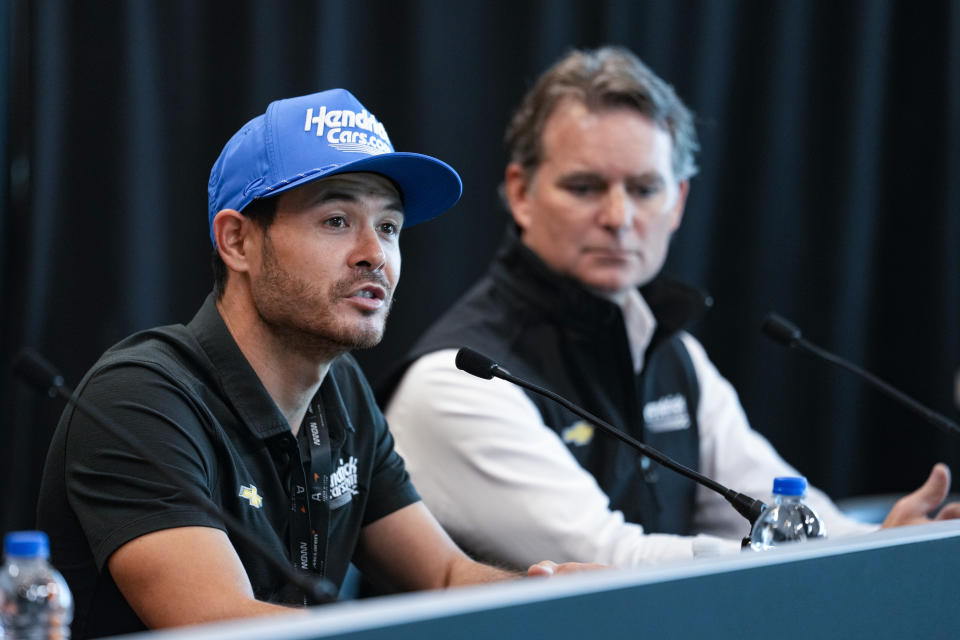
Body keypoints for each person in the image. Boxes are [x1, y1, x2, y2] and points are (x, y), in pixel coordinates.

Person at [36, 88, 598, 639]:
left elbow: (446, 576)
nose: (374, 254)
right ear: (237, 242)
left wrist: (544, 598)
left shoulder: (342, 391)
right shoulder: (140, 399)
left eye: (388, 226)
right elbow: (218, 626)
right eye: (335, 220)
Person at [382, 47, 960, 568]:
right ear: (520, 194)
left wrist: (880, 543)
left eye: (644, 188)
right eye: (584, 187)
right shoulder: (459, 379)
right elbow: (608, 565)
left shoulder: (670, 350)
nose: (618, 217)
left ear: (678, 201)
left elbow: (772, 499)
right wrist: (848, 550)